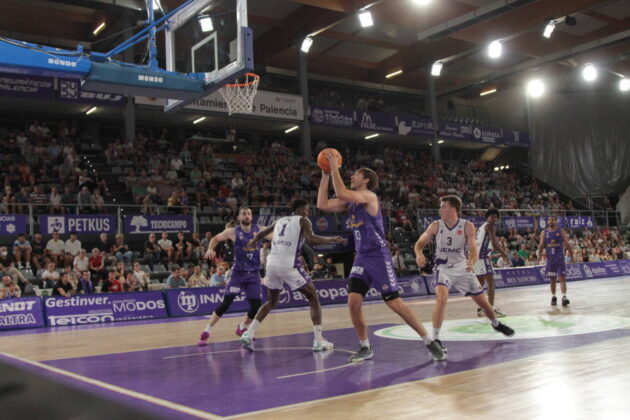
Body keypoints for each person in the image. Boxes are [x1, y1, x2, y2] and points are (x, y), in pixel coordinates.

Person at [317, 153, 444, 362]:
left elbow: (341, 191)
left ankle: (429, 341)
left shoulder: (369, 196)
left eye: (356, 175)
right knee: (353, 302)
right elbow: (322, 204)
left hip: (378, 256)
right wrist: (325, 174)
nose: (352, 176)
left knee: (394, 303)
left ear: (366, 180)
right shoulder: (350, 203)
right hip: (361, 257)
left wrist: (334, 167)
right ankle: (365, 347)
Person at [414, 196, 515, 357]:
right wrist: (419, 254)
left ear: (453, 209)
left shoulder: (467, 226)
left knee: (483, 303)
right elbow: (419, 243)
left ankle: (496, 324)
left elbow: (473, 249)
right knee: (441, 299)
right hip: (443, 268)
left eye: (443, 207)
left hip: (462, 268)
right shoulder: (436, 225)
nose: (440, 210)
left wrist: (472, 262)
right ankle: (436, 339)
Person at [240, 199, 344, 351]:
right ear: (300, 209)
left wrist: (254, 241)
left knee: (271, 301)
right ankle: (318, 340)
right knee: (313, 298)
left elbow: (262, 233)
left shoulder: (279, 221)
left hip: (271, 264)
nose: (308, 212)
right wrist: (333, 239)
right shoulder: (303, 220)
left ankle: (248, 334)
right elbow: (312, 240)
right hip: (288, 264)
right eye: (306, 209)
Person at [197, 207, 271, 346]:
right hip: (238, 273)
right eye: (244, 214)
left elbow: (276, 235)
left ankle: (242, 327)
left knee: (256, 306)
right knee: (226, 304)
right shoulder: (232, 232)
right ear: (239, 217)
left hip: (253, 273)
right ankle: (207, 331)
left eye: (249, 214)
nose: (247, 216)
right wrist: (210, 249)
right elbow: (215, 239)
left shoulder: (260, 230)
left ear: (251, 217)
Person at [474, 209, 511, 318]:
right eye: (492, 216)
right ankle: (491, 309)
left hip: (477, 257)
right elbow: (495, 244)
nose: (494, 219)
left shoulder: (482, 227)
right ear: (487, 217)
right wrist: (504, 254)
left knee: (480, 284)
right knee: (491, 283)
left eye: (496, 217)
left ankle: (481, 308)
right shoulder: (490, 226)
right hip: (482, 257)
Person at [537, 216, 575, 306]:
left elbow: (567, 244)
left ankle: (564, 296)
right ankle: (553, 297)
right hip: (550, 260)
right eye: (549, 220)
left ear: (556, 221)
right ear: (547, 221)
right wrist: (539, 256)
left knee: (562, 278)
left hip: (560, 259)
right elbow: (541, 245)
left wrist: (572, 255)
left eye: (553, 220)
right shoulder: (544, 232)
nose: (551, 221)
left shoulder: (561, 231)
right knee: (552, 280)